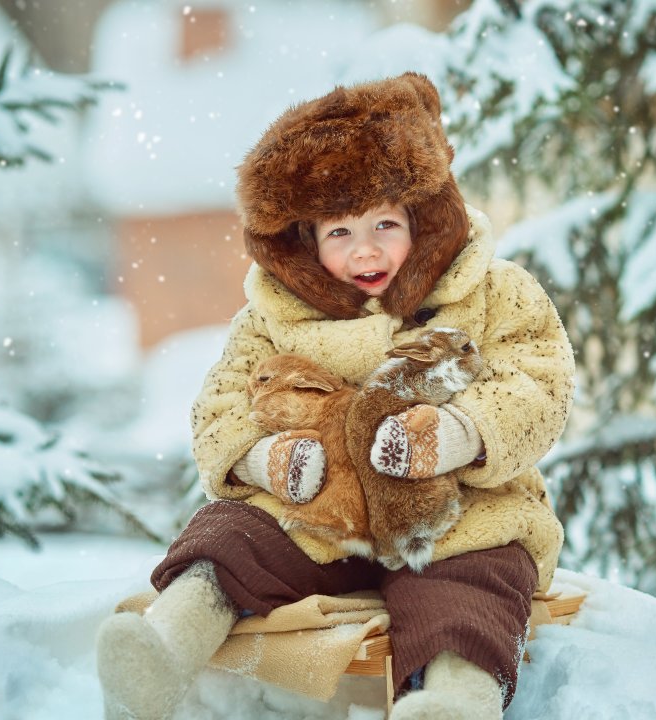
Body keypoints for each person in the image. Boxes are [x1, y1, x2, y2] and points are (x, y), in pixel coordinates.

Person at [96, 72, 575, 720]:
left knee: (475, 585)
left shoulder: (492, 292)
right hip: (318, 521)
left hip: (453, 516)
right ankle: (163, 649)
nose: (366, 249)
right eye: (339, 233)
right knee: (228, 537)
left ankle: (455, 699)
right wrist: (266, 460)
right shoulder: (272, 317)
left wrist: (459, 433)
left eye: (384, 224)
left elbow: (536, 381)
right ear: (305, 243)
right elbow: (219, 410)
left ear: (423, 219)